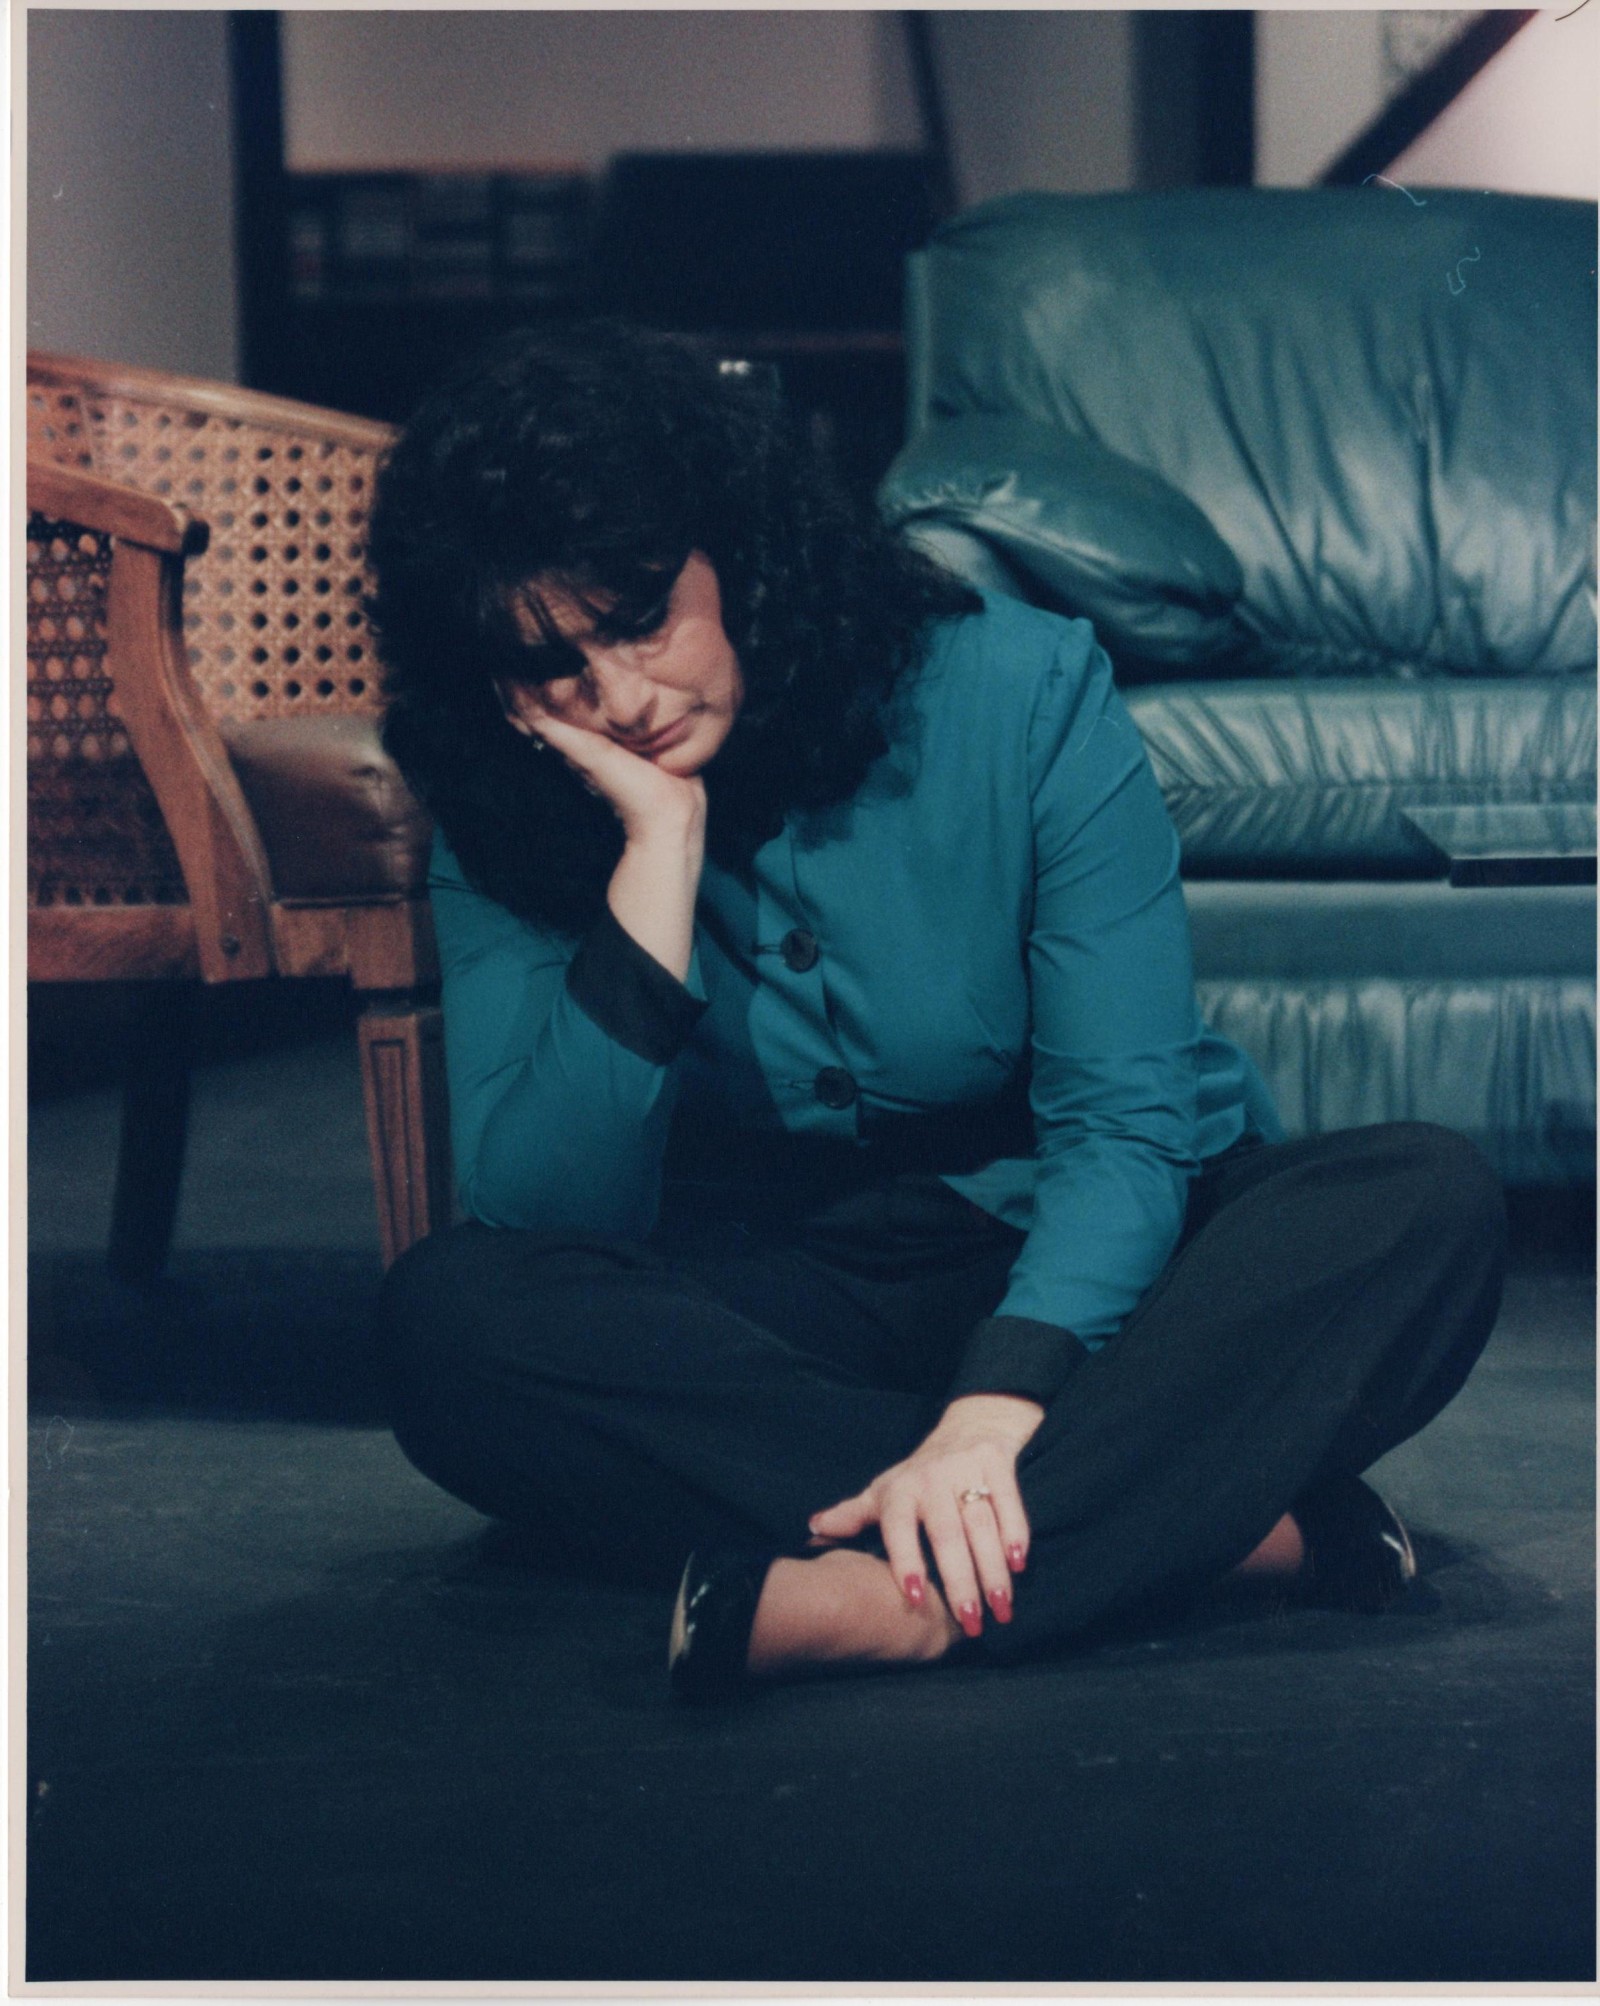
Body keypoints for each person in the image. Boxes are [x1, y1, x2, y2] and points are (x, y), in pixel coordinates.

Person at [366, 321, 1505, 1701]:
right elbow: (548, 1211)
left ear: (733, 551)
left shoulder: (1018, 687)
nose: (619, 697)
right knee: (449, 1322)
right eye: (554, 665)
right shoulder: (510, 801)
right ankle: (1216, 1530)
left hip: (1080, 1254)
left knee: (1424, 1201)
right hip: (783, 1285)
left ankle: (894, 1597)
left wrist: (999, 1399)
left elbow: (1125, 1127)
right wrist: (654, 858)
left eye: (639, 618)